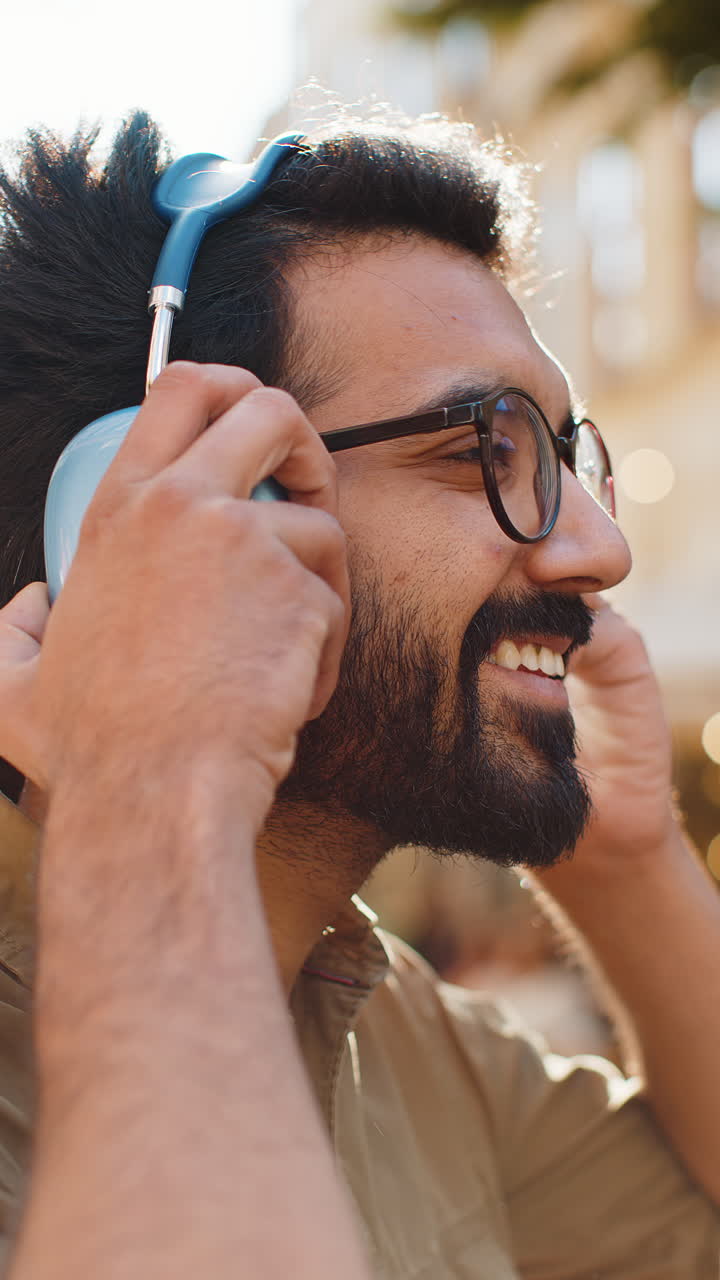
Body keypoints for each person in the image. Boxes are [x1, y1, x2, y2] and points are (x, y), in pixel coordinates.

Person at [0, 112, 717, 1278]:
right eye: (483, 447)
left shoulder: (402, 1031)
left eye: (564, 456)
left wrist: (629, 863)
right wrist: (153, 781)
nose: (597, 549)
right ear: (124, 522)